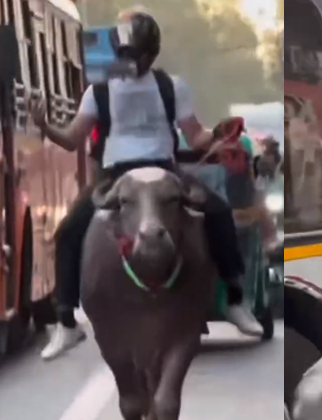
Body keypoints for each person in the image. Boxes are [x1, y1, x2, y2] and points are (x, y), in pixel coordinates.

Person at [31, 9, 263, 361]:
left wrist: (219, 133)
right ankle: (66, 322)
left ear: (152, 53)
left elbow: (196, 136)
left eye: (138, 55)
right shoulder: (99, 91)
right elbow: (71, 138)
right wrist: (44, 124)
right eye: (125, 55)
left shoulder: (173, 86)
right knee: (68, 232)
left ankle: (234, 298)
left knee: (217, 211)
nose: (131, 62)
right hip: (115, 177)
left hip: (164, 171)